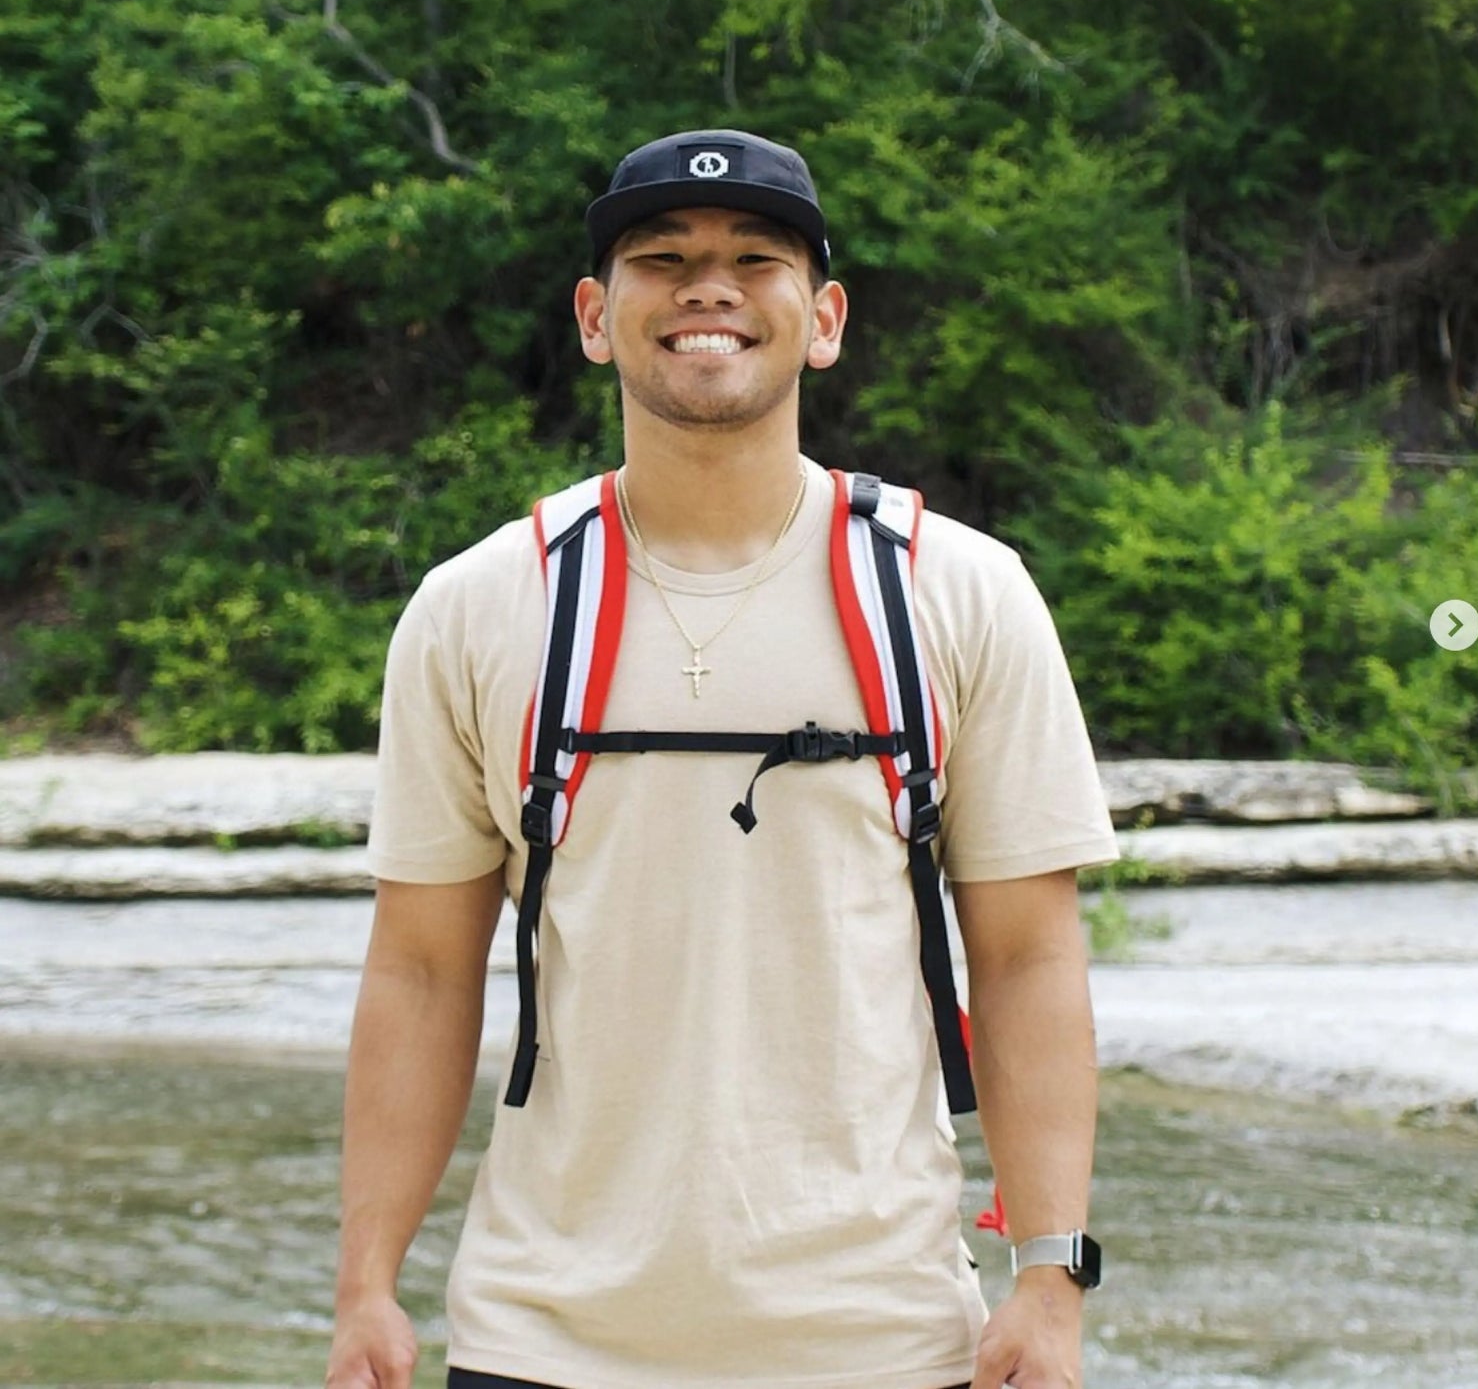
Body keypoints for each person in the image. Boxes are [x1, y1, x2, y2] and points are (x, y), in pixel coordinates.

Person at [326, 128, 1119, 1389]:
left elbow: (1027, 959)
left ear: (824, 318)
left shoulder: (958, 593)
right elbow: (421, 973)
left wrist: (1048, 1277)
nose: (710, 287)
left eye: (757, 257)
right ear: (596, 316)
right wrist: (365, 1286)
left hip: (886, 1344)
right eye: (661, 258)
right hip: (542, 1340)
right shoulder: (480, 606)